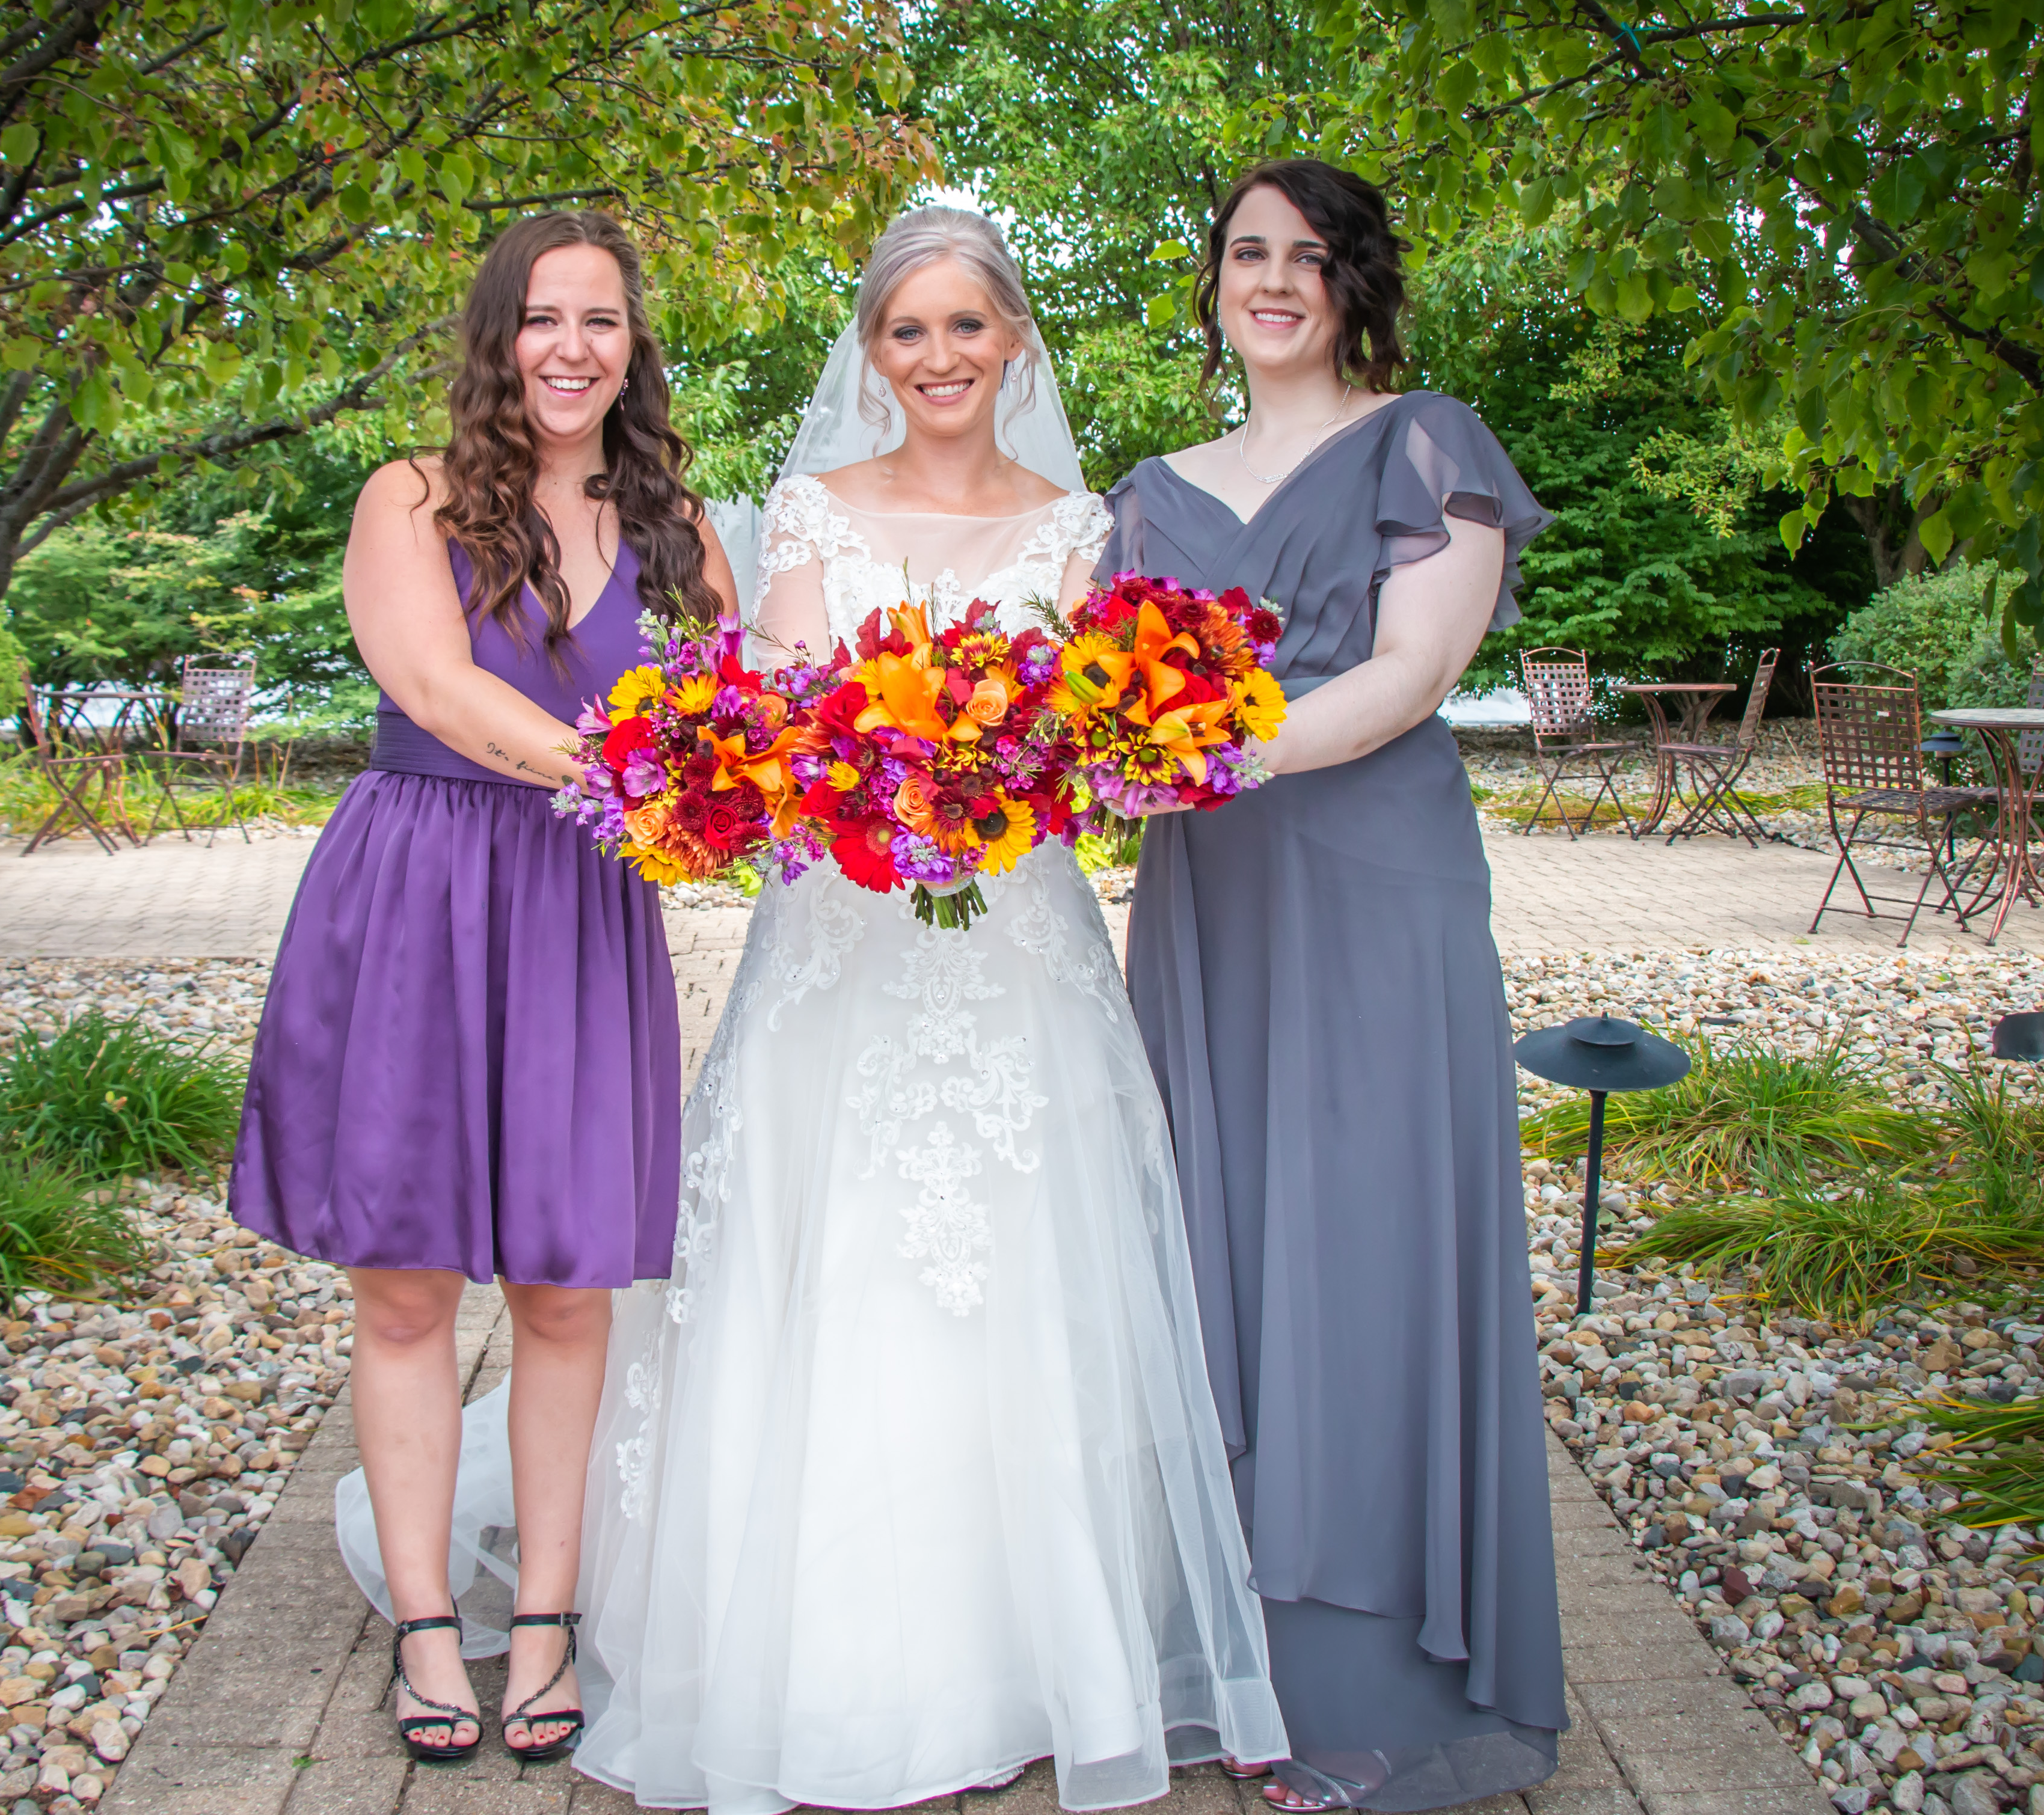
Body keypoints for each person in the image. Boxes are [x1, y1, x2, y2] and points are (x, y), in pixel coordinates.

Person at [347, 205, 1286, 1814]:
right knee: (794, 1258)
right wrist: (831, 775)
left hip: (1014, 955)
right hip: (804, 939)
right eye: (907, 330)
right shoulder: (792, 515)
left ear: (1015, 344)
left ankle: (1022, 1648)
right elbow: (761, 715)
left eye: (968, 327)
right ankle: (701, 1640)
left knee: (1018, 1279)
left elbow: (1071, 737)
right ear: (871, 353)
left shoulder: (1075, 527)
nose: (939, 355)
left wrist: (1086, 756)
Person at [229, 210, 736, 1768]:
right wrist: (629, 772)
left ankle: (549, 1624)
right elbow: (437, 688)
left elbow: (736, 713)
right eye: (543, 317)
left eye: (602, 320)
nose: (571, 348)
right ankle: (428, 1627)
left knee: (568, 1286)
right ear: (497, 335)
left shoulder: (677, 526)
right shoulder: (413, 496)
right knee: (406, 1282)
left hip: (582, 913)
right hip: (421, 894)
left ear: (634, 347)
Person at [1102, 160, 1570, 1811]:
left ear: (1354, 279)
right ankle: (1230, 1656)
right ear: (1215, 280)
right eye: (1248, 252)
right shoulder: (1150, 494)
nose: (1275, 280)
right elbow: (1083, 690)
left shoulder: (1425, 440)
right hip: (1211, 898)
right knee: (1216, 1236)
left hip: (1374, 880)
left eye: (1310, 254)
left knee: (1369, 1238)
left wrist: (1203, 755)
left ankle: (1376, 1683)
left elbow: (1411, 671)